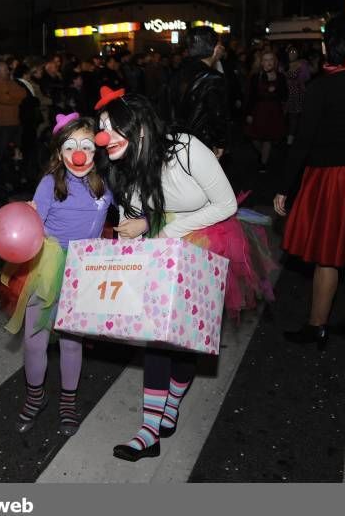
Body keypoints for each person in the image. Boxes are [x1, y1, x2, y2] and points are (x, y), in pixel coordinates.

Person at [94, 91, 272, 462]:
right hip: (160, 247)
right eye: (101, 129)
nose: (103, 136)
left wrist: (168, 229)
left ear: (138, 127)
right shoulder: (124, 163)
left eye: (111, 128)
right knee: (158, 336)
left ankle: (171, 403)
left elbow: (224, 204)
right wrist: (132, 226)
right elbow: (138, 212)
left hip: (209, 240)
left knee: (188, 337)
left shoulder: (185, 149)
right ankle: (149, 431)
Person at [274, 14, 345, 349]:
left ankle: (317, 326)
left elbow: (303, 142)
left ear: (326, 46)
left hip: (330, 177)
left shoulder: (320, 88)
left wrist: (285, 187)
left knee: (328, 253)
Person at [0, 113, 113, 436]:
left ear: (96, 150)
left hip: (86, 267)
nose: (79, 155)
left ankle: (68, 402)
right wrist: (30, 215)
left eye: (86, 147)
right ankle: (36, 396)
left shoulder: (105, 181)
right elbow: (33, 226)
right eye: (70, 147)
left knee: (72, 343)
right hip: (48, 265)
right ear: (60, 152)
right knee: (35, 342)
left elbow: (127, 212)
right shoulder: (50, 183)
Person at [163, 26, 230, 158]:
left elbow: (167, 108)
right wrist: (221, 143)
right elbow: (217, 115)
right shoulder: (213, 77)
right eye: (220, 45)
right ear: (215, 48)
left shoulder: (176, 74)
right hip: (201, 143)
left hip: (175, 140)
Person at [244, 50, 287, 172]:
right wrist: (249, 113)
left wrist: (277, 90)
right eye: (266, 60)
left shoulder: (280, 77)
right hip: (258, 110)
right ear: (261, 62)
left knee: (268, 138)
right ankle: (263, 154)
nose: (268, 62)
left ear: (275, 62)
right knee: (254, 138)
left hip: (274, 110)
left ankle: (263, 163)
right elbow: (250, 96)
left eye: (271, 60)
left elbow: (285, 96)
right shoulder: (256, 77)